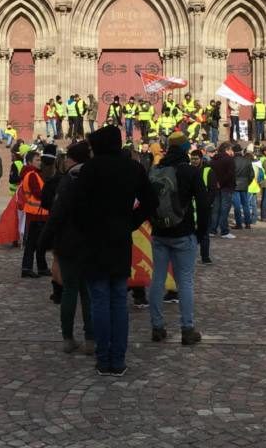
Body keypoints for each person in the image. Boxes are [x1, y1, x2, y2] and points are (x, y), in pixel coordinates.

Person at [73, 126, 156, 376]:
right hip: (120, 239)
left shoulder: (90, 169)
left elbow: (77, 207)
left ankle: (103, 359)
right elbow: (151, 201)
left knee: (99, 300)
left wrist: (85, 228)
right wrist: (130, 222)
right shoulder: (133, 168)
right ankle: (118, 360)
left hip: (94, 241)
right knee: (119, 300)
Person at [148, 132, 210, 346]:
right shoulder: (190, 171)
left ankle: (157, 326)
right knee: (185, 282)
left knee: (157, 279)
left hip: (160, 232)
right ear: (184, 148)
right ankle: (187, 329)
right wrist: (201, 233)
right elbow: (203, 204)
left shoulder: (157, 169)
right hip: (183, 232)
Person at [40, 141, 95, 354]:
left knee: (70, 290)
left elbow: (57, 213)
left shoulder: (67, 180)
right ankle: (91, 339)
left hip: (67, 243)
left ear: (72, 159)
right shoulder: (94, 178)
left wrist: (45, 240)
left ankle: (68, 337)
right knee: (87, 292)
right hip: (90, 242)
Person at [20, 145, 55, 275]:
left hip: (38, 212)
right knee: (33, 243)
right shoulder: (32, 175)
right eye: (37, 160)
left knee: (39, 242)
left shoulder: (34, 174)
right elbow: (39, 193)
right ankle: (28, 268)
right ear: (30, 162)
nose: (40, 162)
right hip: (37, 213)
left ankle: (40, 267)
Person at [209, 143, 235, 238]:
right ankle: (224, 231)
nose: (232, 152)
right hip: (226, 187)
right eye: (230, 150)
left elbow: (211, 173)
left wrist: (216, 182)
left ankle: (212, 230)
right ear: (227, 150)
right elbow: (230, 174)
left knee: (215, 209)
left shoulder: (213, 160)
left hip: (216, 187)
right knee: (225, 210)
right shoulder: (229, 160)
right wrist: (221, 182)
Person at [231, 144, 254, 232]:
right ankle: (248, 223)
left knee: (237, 206)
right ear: (241, 151)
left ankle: (239, 224)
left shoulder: (232, 160)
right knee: (245, 204)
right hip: (244, 184)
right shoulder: (247, 160)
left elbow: (230, 174)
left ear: (233, 151)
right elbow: (252, 175)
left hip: (235, 185)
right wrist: (247, 183)